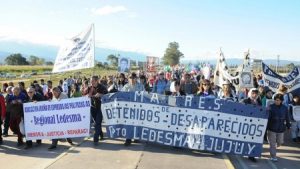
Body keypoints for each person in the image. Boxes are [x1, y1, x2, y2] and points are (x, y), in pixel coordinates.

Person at [121, 72, 144, 146]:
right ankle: (128, 139)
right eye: (130, 78)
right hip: (129, 108)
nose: (131, 79)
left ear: (136, 78)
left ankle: (136, 137)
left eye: (133, 77)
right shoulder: (126, 86)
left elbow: (144, 95)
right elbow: (121, 96)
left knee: (137, 123)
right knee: (129, 124)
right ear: (128, 79)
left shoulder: (140, 86)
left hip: (138, 108)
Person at [267, 93, 291, 162]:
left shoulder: (285, 108)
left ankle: (276, 145)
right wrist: (266, 128)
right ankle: (273, 156)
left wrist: (288, 126)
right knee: (272, 144)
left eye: (278, 100)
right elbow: (267, 118)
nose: (276, 101)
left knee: (280, 142)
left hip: (281, 128)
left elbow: (287, 117)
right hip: (271, 128)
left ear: (281, 101)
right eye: (275, 100)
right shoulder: (270, 107)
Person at [241, 88, 261, 162]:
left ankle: (251, 155)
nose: (254, 95)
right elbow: (240, 108)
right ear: (250, 93)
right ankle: (245, 151)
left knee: (253, 139)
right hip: (246, 123)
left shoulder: (259, 101)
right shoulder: (245, 101)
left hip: (255, 124)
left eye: (256, 93)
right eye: (253, 93)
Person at [89, 76, 108, 146]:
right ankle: (101, 134)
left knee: (97, 122)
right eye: (91, 81)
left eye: (93, 81)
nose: (91, 82)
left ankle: (95, 138)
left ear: (97, 81)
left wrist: (101, 95)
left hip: (101, 107)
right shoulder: (90, 88)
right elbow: (84, 94)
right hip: (93, 107)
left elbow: (108, 96)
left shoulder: (102, 87)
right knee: (97, 123)